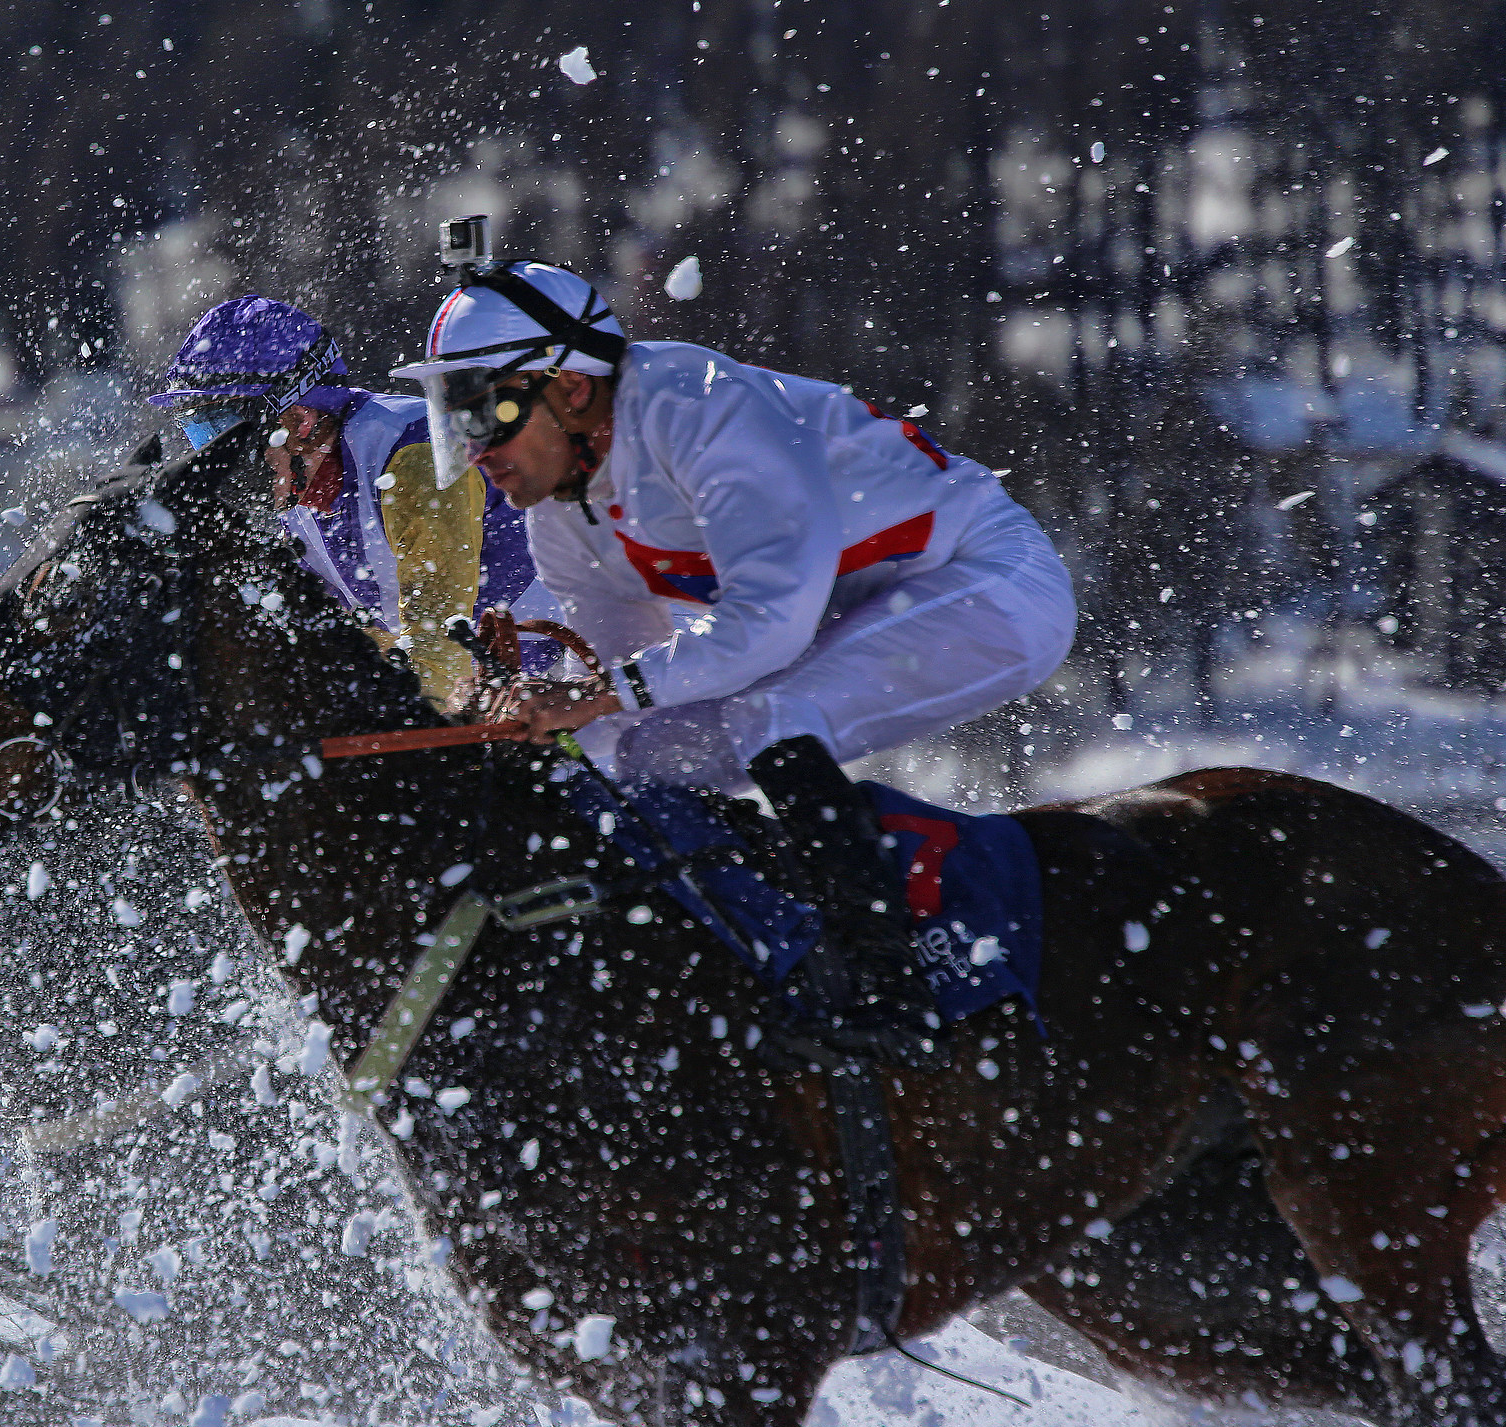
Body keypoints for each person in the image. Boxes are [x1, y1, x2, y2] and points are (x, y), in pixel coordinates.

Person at [393, 251, 1076, 1066]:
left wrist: (601, 694)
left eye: (487, 413)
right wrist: (542, 715)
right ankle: (771, 941)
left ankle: (893, 993)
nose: (474, 450)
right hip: (855, 611)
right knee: (638, 760)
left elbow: (772, 623)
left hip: (989, 583)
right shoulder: (560, 514)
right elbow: (620, 686)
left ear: (572, 388)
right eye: (457, 420)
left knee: (773, 715)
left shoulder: (695, 406)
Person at [149, 295, 556, 700]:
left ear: (300, 420)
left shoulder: (416, 458)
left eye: (224, 430)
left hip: (559, 683)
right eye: (198, 433)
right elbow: (333, 645)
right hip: (487, 694)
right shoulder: (297, 486)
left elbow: (438, 648)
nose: (217, 455)